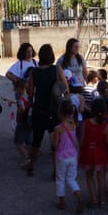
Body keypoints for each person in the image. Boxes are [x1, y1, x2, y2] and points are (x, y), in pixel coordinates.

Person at [26, 44, 69, 176]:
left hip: (39, 109)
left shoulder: (34, 71)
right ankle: (56, 171)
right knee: (55, 141)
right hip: (54, 109)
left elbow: (30, 92)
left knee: (36, 141)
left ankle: (31, 166)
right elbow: (66, 88)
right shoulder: (57, 69)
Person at [79, 98, 108, 208]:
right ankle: (102, 201)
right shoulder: (106, 125)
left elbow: (82, 140)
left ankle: (93, 199)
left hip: (88, 152)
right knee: (101, 178)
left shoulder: (86, 123)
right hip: (101, 153)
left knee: (89, 176)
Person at [52, 99, 84, 213]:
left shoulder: (58, 128)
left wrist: (54, 137)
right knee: (71, 179)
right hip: (73, 155)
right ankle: (79, 197)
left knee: (60, 179)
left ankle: (62, 202)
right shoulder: (73, 125)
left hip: (62, 156)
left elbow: (55, 144)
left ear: (60, 112)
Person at [13, 79, 32, 166]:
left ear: (19, 88)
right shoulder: (29, 96)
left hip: (22, 122)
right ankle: (32, 156)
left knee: (18, 142)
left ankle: (27, 158)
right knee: (29, 141)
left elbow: (22, 111)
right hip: (30, 121)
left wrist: (17, 108)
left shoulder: (20, 99)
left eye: (16, 88)